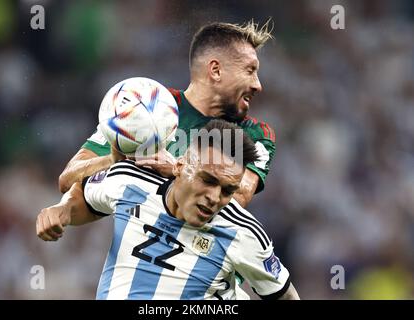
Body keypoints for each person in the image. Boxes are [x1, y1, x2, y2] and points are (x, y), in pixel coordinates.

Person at [37, 120, 299, 300]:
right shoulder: (131, 183)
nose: (214, 198)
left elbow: (284, 295)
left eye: (228, 191)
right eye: (207, 180)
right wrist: (61, 211)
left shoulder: (243, 233)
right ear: (179, 165)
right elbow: (83, 191)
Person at [58, 20, 276, 208]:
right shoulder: (145, 104)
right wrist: (117, 159)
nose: (258, 85)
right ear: (216, 70)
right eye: (250, 71)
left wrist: (177, 170)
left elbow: (239, 197)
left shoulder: (254, 133)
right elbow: (68, 178)